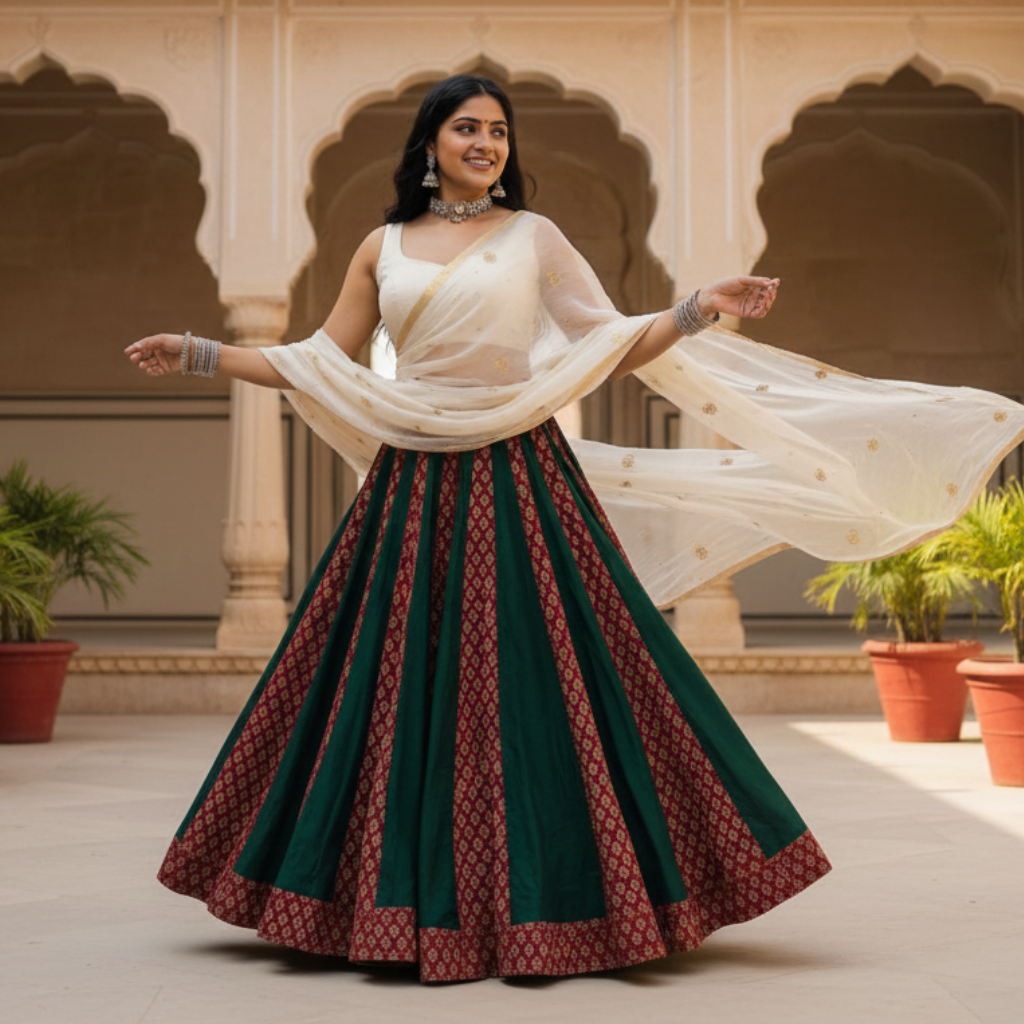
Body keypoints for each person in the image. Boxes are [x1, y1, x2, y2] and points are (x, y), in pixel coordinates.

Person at [126, 75, 1024, 983]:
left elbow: (608, 339)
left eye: (499, 131)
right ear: (430, 143)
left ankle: (586, 897)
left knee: (560, 674)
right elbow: (319, 361)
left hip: (520, 476)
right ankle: (371, 899)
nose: (486, 143)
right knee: (381, 680)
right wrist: (200, 352)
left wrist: (698, 307)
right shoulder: (381, 247)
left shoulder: (533, 237)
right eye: (467, 128)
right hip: (412, 485)